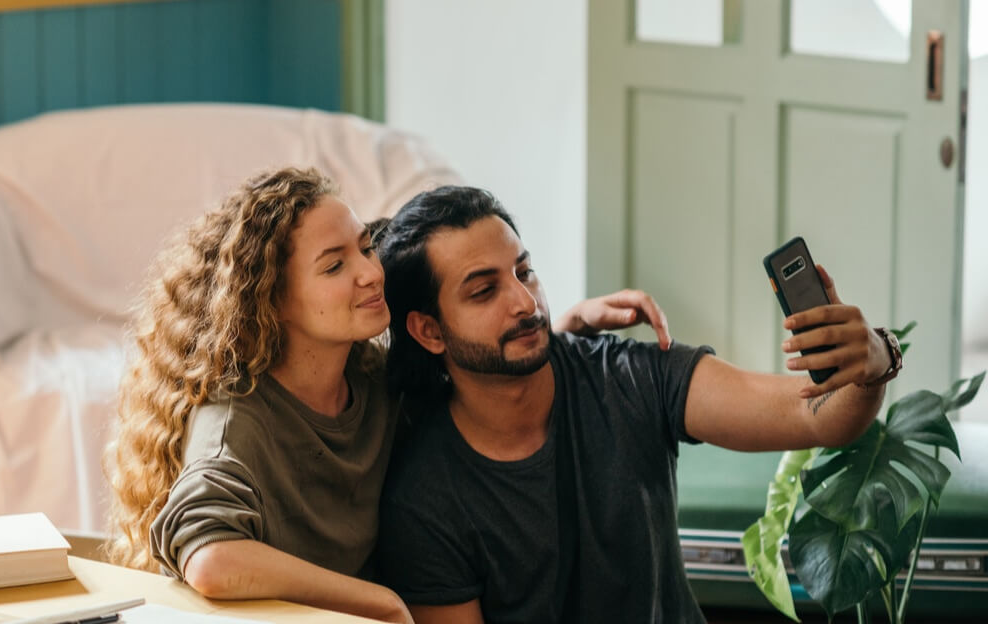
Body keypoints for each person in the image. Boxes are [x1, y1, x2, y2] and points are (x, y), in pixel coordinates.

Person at [105, 167, 670, 623]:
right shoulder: (236, 421)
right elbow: (210, 560)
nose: (370, 274)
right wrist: (378, 602)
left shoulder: (372, 378)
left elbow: (470, 360)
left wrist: (556, 329)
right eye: (335, 266)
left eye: (364, 248)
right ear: (271, 302)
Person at [373, 185, 901, 623]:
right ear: (428, 331)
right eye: (483, 291)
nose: (525, 301)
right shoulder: (425, 498)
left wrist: (875, 359)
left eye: (524, 271)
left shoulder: (626, 376)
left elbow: (815, 417)